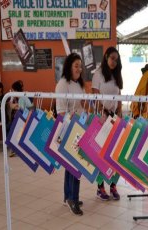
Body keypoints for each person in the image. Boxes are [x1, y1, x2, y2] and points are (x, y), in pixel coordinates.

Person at [55, 53, 85, 216]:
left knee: (71, 165)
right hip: (68, 130)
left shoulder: (78, 84)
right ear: (68, 67)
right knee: (75, 164)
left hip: (79, 128)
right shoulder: (62, 84)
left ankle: (68, 196)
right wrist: (71, 119)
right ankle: (73, 198)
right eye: (76, 65)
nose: (79, 69)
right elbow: (60, 113)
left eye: (80, 66)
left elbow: (80, 106)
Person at [92, 46, 123, 201]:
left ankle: (113, 185)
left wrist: (119, 112)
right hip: (102, 117)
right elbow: (95, 96)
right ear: (106, 57)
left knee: (114, 154)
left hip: (115, 118)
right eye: (112, 58)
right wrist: (103, 112)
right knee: (101, 154)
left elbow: (119, 96)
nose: (114, 62)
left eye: (116, 60)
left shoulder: (117, 75)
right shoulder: (98, 74)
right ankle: (100, 187)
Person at [8, 80, 34, 157]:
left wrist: (14, 105)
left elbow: (22, 110)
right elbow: (19, 107)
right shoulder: (23, 96)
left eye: (12, 90)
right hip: (28, 116)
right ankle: (15, 148)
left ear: (15, 90)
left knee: (15, 129)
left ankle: (15, 148)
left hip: (27, 118)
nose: (12, 91)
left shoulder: (21, 98)